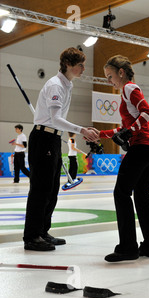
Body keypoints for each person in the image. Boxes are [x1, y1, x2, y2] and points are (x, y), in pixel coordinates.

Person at [23, 47, 99, 251]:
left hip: (54, 138)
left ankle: (42, 231)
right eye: (80, 65)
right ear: (68, 65)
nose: (83, 68)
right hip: (44, 137)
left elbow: (57, 121)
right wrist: (82, 129)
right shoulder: (56, 85)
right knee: (41, 189)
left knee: (52, 189)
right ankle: (31, 236)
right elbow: (56, 118)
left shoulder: (67, 85)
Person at [99, 55, 149, 262]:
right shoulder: (128, 92)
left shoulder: (129, 88)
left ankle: (127, 247)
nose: (110, 81)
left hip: (141, 149)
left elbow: (147, 112)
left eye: (110, 76)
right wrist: (99, 134)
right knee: (142, 198)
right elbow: (125, 128)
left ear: (121, 72)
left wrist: (129, 131)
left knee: (121, 193)